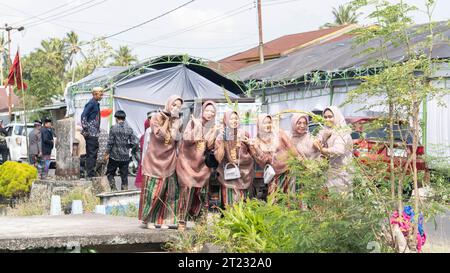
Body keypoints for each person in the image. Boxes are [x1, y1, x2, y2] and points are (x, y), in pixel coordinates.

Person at [140, 95, 184, 229]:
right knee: (152, 192)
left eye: (178, 106)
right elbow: (159, 135)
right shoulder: (156, 117)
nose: (176, 108)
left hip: (169, 160)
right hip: (154, 159)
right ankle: (148, 220)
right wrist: (166, 119)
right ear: (168, 104)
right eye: (174, 105)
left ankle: (162, 220)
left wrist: (175, 120)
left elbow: (176, 138)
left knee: (167, 192)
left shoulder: (178, 120)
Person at [176, 100, 218, 228]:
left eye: (212, 111)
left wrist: (213, 133)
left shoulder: (212, 127)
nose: (210, 113)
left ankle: (200, 221)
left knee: (202, 193)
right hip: (187, 163)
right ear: (202, 110)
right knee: (186, 191)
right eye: (207, 110)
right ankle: (181, 221)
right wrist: (198, 127)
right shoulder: (193, 122)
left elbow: (209, 146)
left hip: (202, 164)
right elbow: (187, 139)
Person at [248, 114, 297, 195]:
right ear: (259, 125)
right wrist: (256, 148)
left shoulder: (279, 133)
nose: (268, 125)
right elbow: (263, 162)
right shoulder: (257, 141)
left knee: (289, 198)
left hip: (288, 169)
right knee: (275, 199)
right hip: (273, 174)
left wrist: (298, 162)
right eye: (264, 123)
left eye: (269, 122)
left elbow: (291, 148)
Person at [214, 111, 254, 208]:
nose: (234, 121)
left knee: (244, 203)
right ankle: (230, 221)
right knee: (229, 202)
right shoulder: (221, 136)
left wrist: (250, 144)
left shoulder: (244, 134)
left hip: (244, 173)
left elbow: (252, 153)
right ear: (225, 120)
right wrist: (223, 141)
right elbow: (218, 158)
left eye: (236, 118)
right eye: (231, 119)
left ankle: (242, 222)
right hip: (228, 174)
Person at [313, 106, 353, 194]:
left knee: (342, 202)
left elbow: (339, 150)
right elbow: (318, 138)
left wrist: (324, 150)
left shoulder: (343, 132)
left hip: (342, 173)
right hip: (329, 173)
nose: (327, 119)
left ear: (337, 116)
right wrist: (317, 141)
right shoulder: (326, 130)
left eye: (330, 117)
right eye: (325, 117)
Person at [104, 110, 136, 191]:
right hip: (125, 157)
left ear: (116, 118)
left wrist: (107, 153)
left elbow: (110, 142)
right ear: (124, 118)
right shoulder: (130, 129)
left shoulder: (113, 128)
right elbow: (133, 143)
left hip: (114, 156)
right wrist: (127, 147)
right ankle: (124, 191)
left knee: (110, 173)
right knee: (124, 176)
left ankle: (113, 189)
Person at [81, 86, 104, 179]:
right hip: (91, 133)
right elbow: (83, 116)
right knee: (91, 154)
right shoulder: (91, 103)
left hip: (95, 133)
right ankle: (90, 174)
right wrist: (86, 129)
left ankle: (91, 172)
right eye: (100, 94)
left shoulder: (96, 103)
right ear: (95, 94)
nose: (102, 96)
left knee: (93, 153)